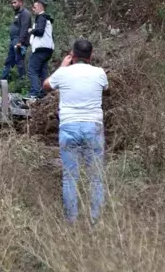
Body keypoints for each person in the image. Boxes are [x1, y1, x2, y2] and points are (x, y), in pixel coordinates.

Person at [42, 39, 109, 224]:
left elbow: (46, 85)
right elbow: (106, 88)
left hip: (69, 126)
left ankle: (71, 221)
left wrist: (63, 66)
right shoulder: (100, 73)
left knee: (70, 178)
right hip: (93, 127)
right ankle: (96, 221)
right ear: (91, 55)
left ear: (72, 54)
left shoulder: (64, 73)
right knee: (96, 178)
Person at [27, 0, 54, 99]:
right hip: (48, 49)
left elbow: (40, 32)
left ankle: (34, 92)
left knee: (31, 70)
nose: (33, 9)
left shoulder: (41, 17)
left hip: (40, 49)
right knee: (43, 72)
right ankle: (43, 93)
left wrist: (31, 30)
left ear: (40, 7)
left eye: (34, 7)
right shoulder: (47, 19)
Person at [0, 0, 31, 81]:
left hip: (19, 40)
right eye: (12, 3)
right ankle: (2, 80)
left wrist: (20, 41)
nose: (13, 5)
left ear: (21, 3)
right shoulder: (17, 13)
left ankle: (23, 81)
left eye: (15, 2)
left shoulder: (25, 13)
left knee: (19, 60)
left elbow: (24, 28)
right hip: (13, 40)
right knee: (9, 60)